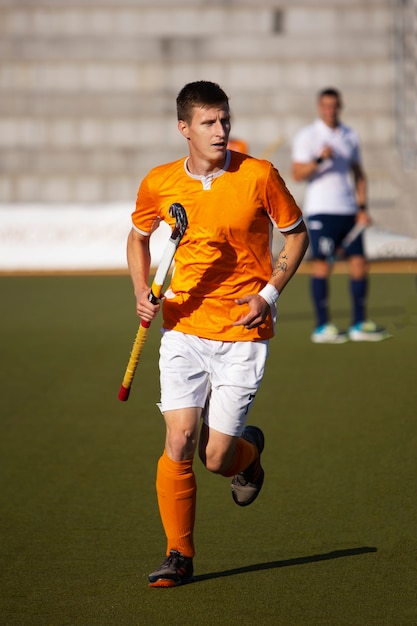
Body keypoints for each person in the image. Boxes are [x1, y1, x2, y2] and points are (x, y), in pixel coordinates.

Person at [127, 80, 309, 588]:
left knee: (215, 459)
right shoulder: (160, 183)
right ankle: (178, 555)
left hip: (243, 334)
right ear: (183, 128)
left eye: (225, 120)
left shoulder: (259, 175)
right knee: (180, 438)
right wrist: (142, 289)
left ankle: (247, 458)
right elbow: (138, 237)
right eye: (208, 122)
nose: (221, 130)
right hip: (183, 328)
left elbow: (297, 236)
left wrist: (268, 295)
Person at [291, 87, 389, 343]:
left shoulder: (349, 135)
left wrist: (362, 208)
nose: (330, 110)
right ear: (319, 107)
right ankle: (322, 326)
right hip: (322, 208)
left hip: (348, 209)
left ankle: (359, 323)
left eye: (334, 106)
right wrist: (320, 160)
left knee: (359, 264)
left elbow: (359, 173)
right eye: (326, 106)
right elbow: (298, 174)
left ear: (339, 107)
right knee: (323, 264)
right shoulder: (309, 136)